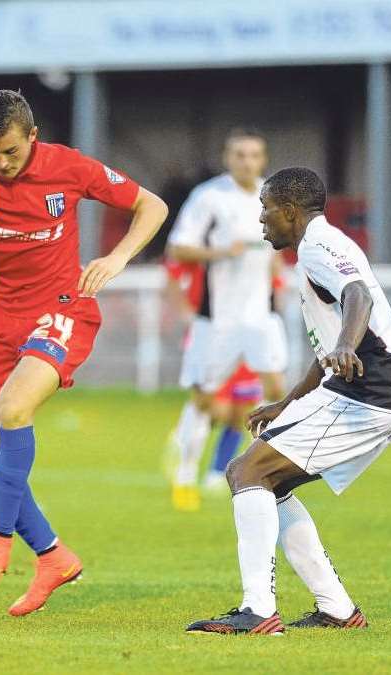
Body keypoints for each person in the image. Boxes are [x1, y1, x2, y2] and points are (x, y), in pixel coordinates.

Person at [0, 89, 168, 616]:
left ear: (32, 137)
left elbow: (151, 205)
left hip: (63, 308)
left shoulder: (67, 167)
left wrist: (117, 258)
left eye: (11, 153)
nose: (1, 162)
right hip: (2, 319)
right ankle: (53, 557)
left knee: (14, 409)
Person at [187, 167, 391, 635]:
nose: (262, 219)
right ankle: (336, 609)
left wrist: (348, 344)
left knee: (247, 471)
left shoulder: (318, 246)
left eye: (266, 209)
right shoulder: (315, 249)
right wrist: (288, 401)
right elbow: (328, 345)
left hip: (373, 391)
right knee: (271, 481)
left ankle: (258, 610)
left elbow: (357, 296)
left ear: (290, 211)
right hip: (360, 388)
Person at [165, 129, 288, 511]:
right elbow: (177, 248)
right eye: (239, 154)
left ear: (263, 159)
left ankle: (260, 473)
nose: (247, 161)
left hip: (260, 315)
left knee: (278, 388)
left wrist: (278, 274)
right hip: (216, 318)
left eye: (254, 154)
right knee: (204, 401)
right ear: (227, 158)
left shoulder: (275, 195)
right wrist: (220, 252)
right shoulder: (209, 197)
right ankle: (185, 476)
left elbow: (281, 249)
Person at [163, 259, 269, 510]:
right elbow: (173, 271)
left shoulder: (257, 246)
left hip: (246, 333)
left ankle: (216, 474)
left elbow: (273, 278)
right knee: (213, 407)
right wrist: (188, 315)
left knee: (241, 413)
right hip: (211, 334)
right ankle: (185, 468)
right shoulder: (207, 241)